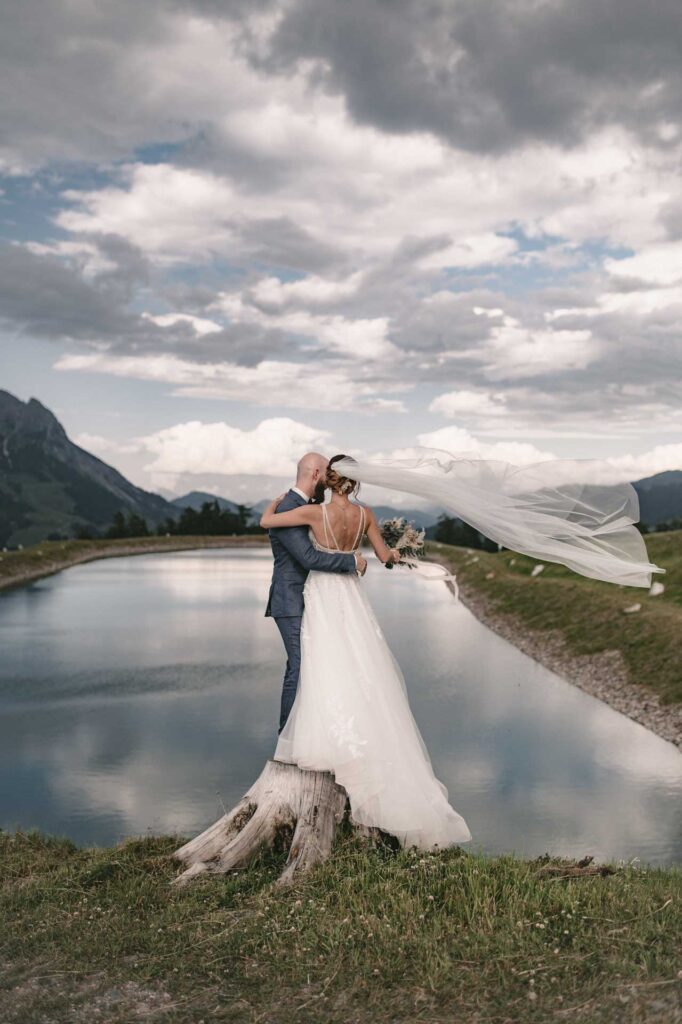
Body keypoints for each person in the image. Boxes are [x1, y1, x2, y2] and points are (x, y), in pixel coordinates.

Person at [260, 454, 472, 851]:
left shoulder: (312, 511)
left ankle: (313, 747)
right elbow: (384, 558)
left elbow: (269, 524)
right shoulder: (365, 515)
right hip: (351, 598)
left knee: (323, 667)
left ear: (330, 479)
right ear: (355, 483)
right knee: (359, 666)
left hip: (322, 594)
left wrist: (272, 505)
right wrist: (402, 554)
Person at [264, 452, 367, 735]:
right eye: (326, 473)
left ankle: (312, 735)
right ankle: (286, 739)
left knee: (314, 665)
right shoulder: (289, 506)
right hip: (291, 600)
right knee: (298, 666)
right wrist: (351, 561)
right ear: (315, 474)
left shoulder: (306, 505)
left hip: (312, 599)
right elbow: (308, 557)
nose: (329, 478)